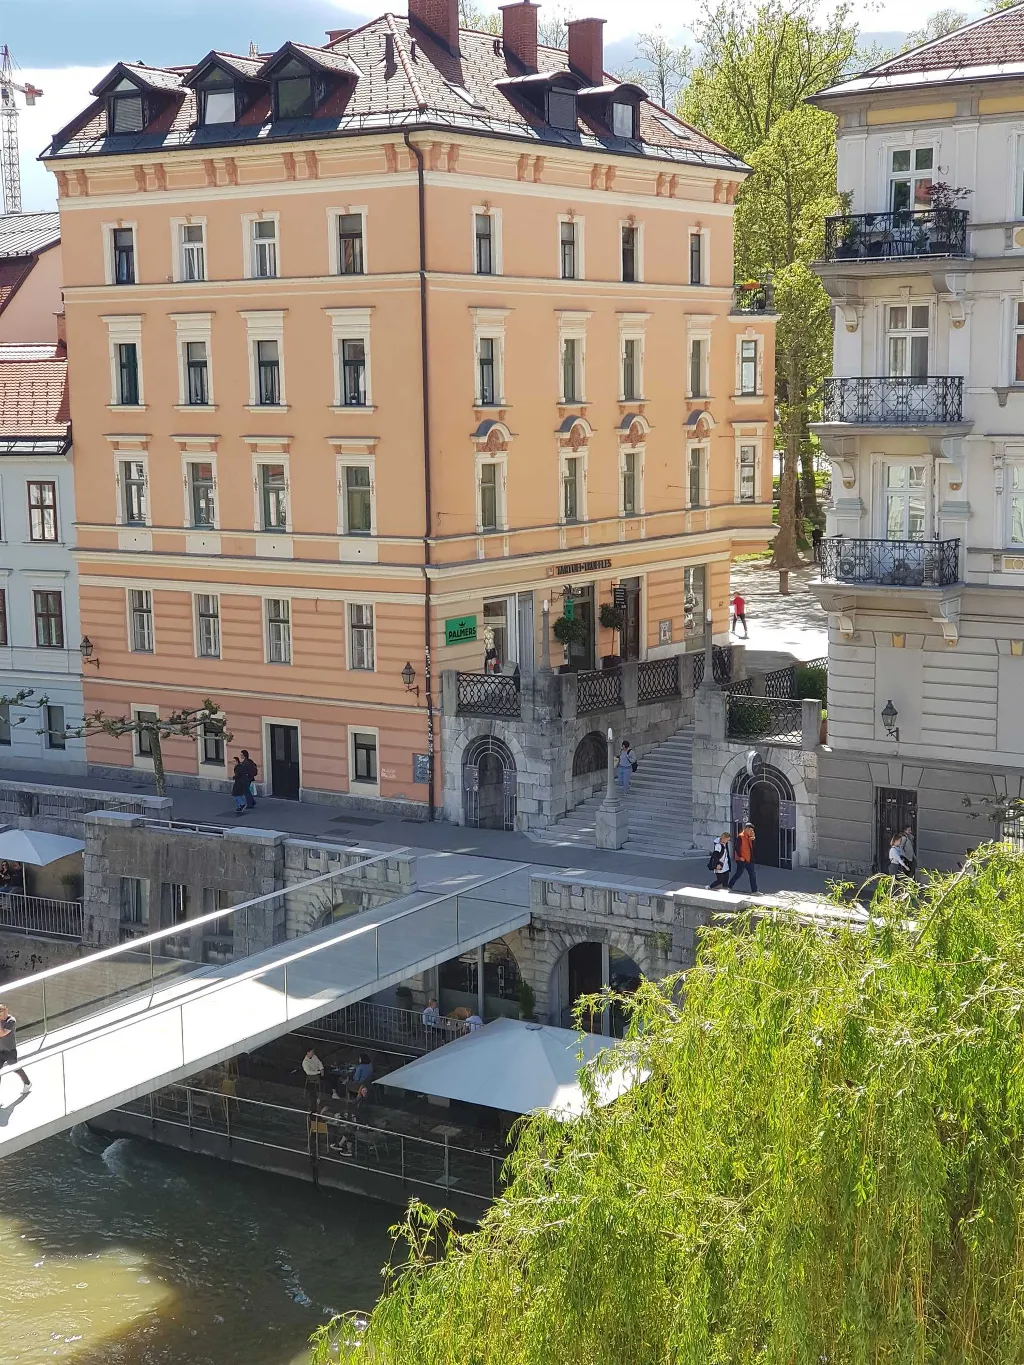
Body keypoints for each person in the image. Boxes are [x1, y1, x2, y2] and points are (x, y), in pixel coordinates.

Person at [0, 1004, 30, 1094]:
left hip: (10, 1050)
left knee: (15, 1068)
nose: (4, 1016)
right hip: (0, 1051)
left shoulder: (11, 1021)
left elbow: (2, 1033)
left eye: (5, 1013)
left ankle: (27, 1082)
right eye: (2, 1014)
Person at [728, 822, 759, 893]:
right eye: (750, 830)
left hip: (749, 859)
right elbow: (736, 847)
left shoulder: (750, 837)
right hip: (742, 859)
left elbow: (753, 848)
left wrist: (753, 839)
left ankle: (755, 890)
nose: (751, 832)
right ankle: (729, 886)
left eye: (752, 831)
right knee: (738, 873)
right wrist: (740, 856)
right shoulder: (741, 836)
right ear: (746, 829)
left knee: (752, 874)